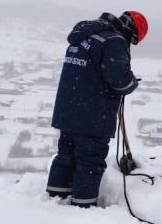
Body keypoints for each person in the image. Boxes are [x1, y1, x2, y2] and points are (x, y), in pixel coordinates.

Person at [46, 11, 148, 208]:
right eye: (134, 40)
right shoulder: (114, 41)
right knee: (90, 162)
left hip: (68, 110)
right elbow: (120, 81)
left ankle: (53, 200)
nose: (131, 44)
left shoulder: (84, 36)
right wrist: (132, 83)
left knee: (66, 155)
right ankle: (81, 208)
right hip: (92, 115)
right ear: (131, 30)